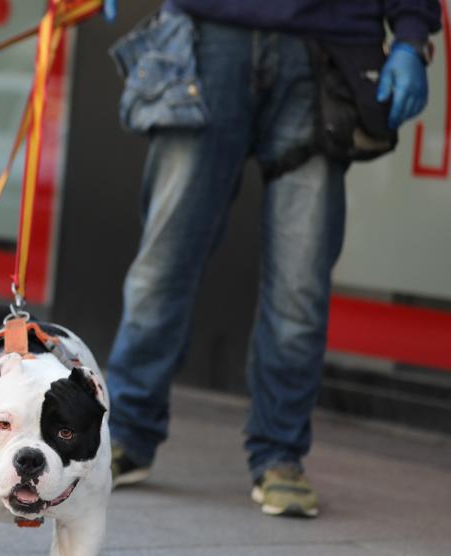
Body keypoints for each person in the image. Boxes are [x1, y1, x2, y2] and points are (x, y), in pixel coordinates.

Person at [98, 0, 442, 517]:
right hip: (205, 36)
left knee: (300, 281)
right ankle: (124, 432)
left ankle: (280, 453)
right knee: (164, 263)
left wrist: (413, 36)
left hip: (324, 47)